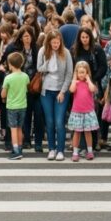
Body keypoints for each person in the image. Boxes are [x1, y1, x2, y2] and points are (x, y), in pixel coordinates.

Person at [6, 25, 44, 152]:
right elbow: (7, 62)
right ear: (21, 37)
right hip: (22, 86)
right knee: (25, 115)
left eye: (29, 36)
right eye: (25, 36)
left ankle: (38, 143)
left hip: (35, 86)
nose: (28, 38)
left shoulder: (37, 48)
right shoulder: (14, 48)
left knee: (38, 115)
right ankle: (26, 140)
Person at [37, 29, 73, 161]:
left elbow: (69, 74)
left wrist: (63, 91)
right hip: (46, 91)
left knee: (59, 121)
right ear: (49, 42)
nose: (56, 45)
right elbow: (39, 68)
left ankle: (60, 150)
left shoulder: (66, 52)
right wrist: (48, 61)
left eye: (57, 42)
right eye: (53, 43)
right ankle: (51, 149)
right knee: (50, 122)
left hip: (61, 91)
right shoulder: (42, 51)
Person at [72, 27, 107, 152]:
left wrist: (93, 79)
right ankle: (79, 144)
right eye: (82, 37)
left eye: (87, 37)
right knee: (79, 114)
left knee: (93, 114)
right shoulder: (75, 49)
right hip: (79, 85)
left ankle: (95, 141)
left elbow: (103, 67)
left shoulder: (97, 49)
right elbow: (73, 67)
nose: (85, 39)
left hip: (93, 83)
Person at [67, 61, 99, 161]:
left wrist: (88, 79)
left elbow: (92, 89)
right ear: (76, 73)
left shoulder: (89, 83)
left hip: (88, 111)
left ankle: (90, 151)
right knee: (77, 133)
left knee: (88, 132)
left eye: (83, 72)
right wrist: (74, 79)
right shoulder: (75, 83)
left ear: (87, 73)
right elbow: (72, 90)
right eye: (79, 72)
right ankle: (75, 152)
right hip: (77, 112)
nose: (81, 75)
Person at [1, 51, 29, 160]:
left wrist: (5, 94)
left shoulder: (8, 78)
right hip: (23, 106)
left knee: (13, 129)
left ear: (10, 64)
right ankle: (20, 148)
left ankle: (16, 151)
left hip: (12, 106)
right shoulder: (25, 76)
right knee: (19, 128)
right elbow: (27, 88)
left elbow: (3, 94)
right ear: (21, 63)